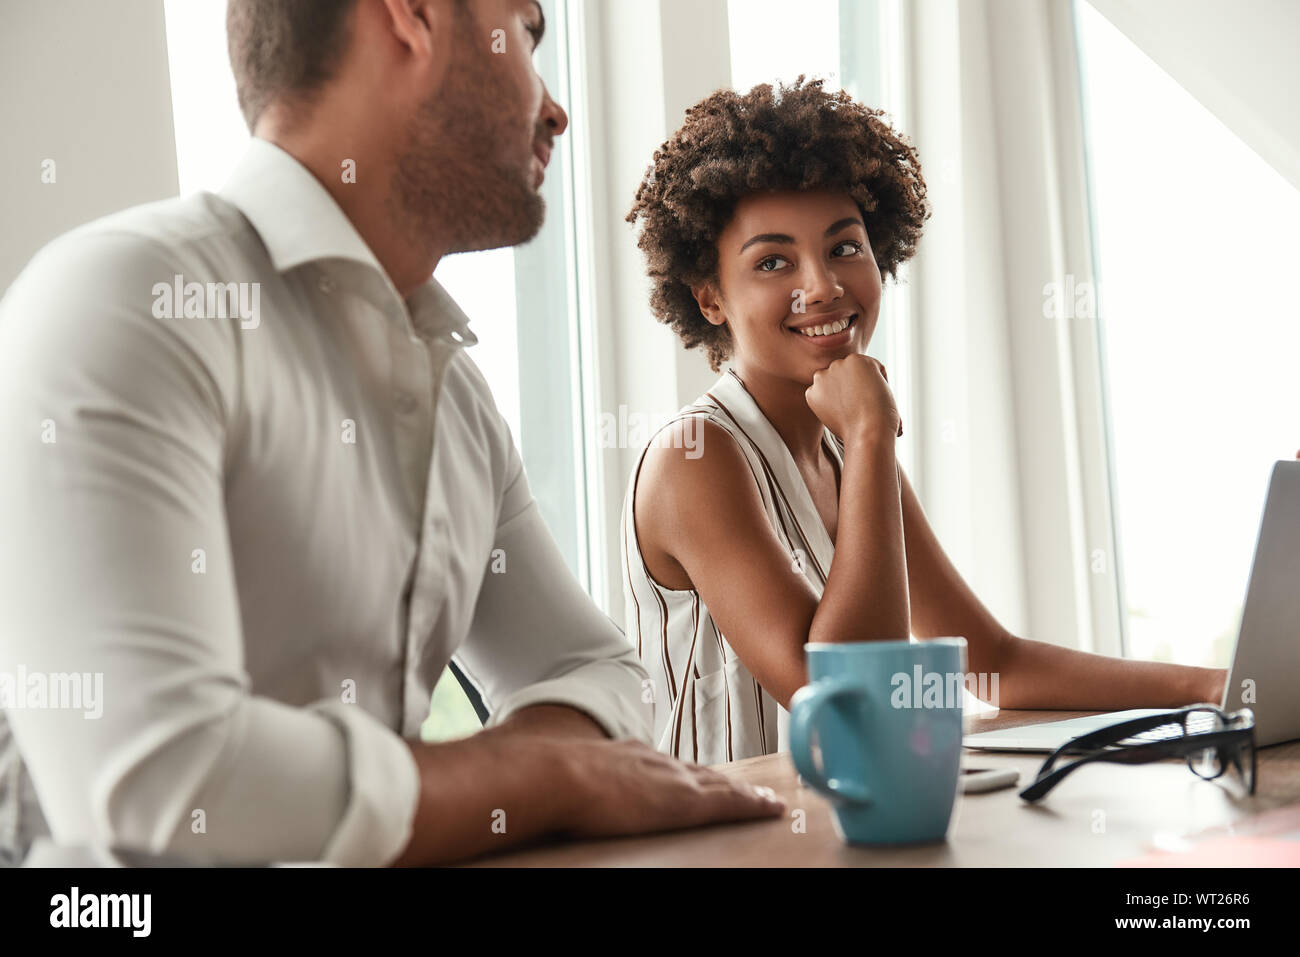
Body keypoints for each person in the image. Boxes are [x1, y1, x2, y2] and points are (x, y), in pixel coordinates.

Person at [0, 0, 785, 868]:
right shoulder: (124, 300)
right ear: (410, 16)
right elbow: (161, 785)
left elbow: (598, 668)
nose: (556, 108)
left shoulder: (458, 397)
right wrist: (549, 778)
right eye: (526, 33)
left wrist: (519, 772)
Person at [621, 76, 1229, 764]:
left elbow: (994, 661)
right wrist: (874, 435)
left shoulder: (844, 449)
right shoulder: (696, 458)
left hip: (841, 835)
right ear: (709, 298)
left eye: (844, 246)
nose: (821, 284)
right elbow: (850, 694)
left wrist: (1217, 685)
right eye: (773, 260)